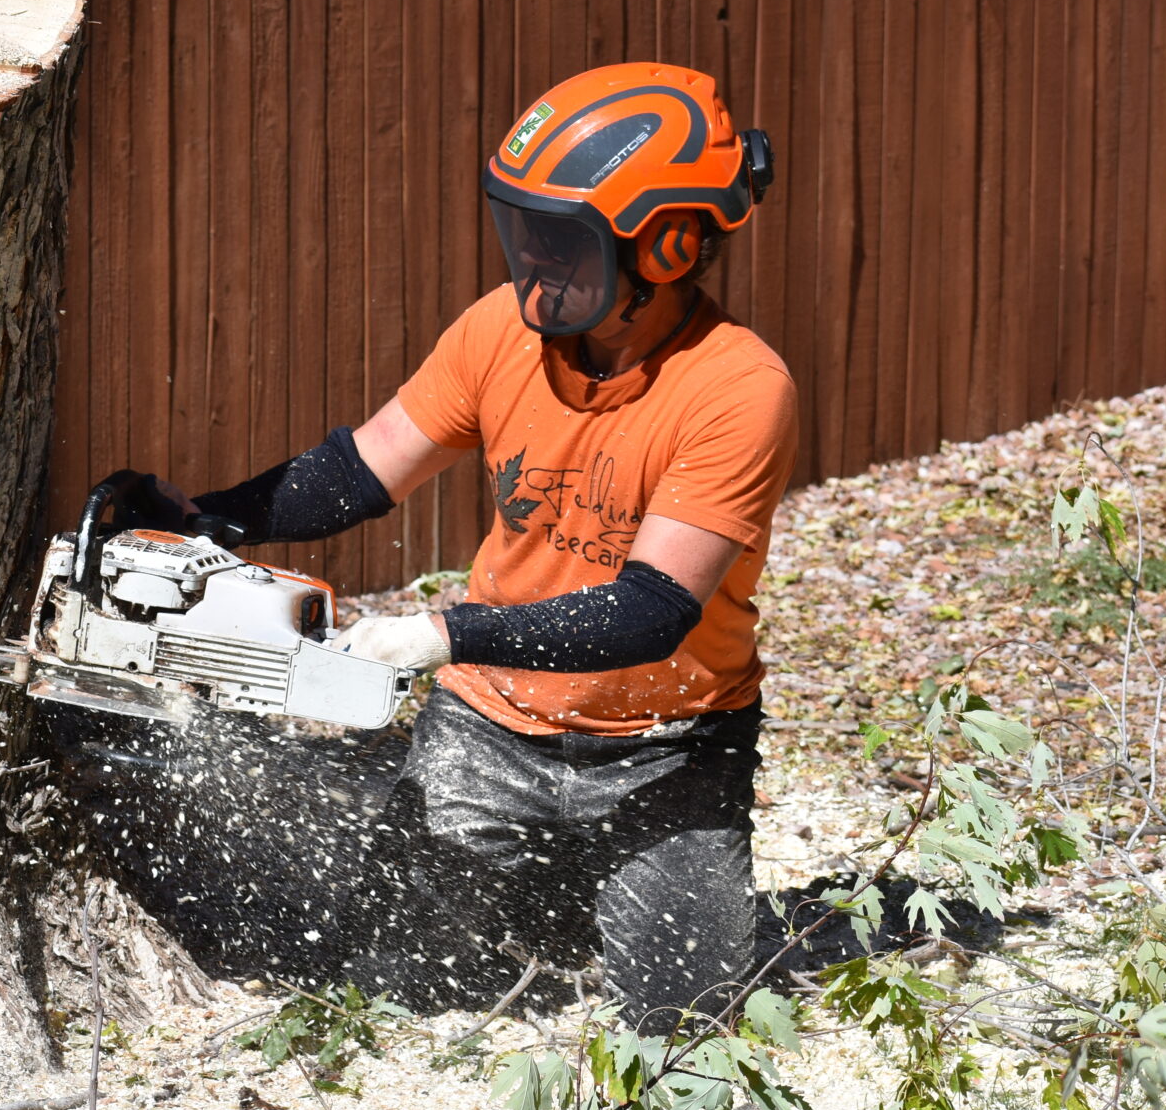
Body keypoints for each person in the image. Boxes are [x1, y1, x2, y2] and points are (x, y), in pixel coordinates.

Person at [142, 63, 797, 1033]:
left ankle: (590, 884)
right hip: (489, 729)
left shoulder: (737, 389)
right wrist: (213, 519)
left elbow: (649, 612)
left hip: (667, 748)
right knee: (407, 974)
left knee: (683, 1024)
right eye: (520, 229)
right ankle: (550, 886)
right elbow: (359, 471)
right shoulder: (501, 331)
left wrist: (445, 634)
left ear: (665, 246)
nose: (530, 262)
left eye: (560, 242)